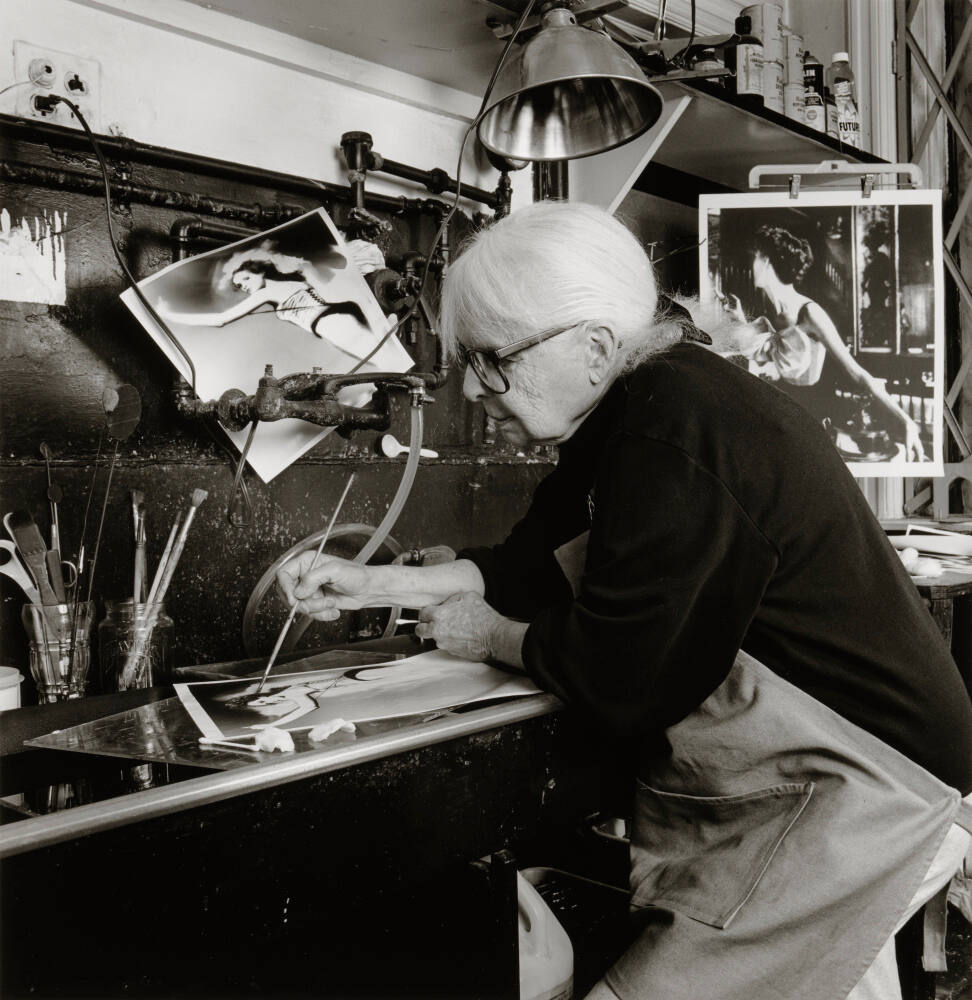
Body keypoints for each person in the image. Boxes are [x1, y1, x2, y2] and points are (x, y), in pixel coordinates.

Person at [277, 201, 972, 1000]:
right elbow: (528, 566)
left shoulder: (676, 426)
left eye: (491, 359)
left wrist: (488, 635)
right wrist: (378, 583)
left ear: (596, 346)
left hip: (869, 790)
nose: (473, 387)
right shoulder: (630, 410)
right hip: (842, 775)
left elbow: (623, 676)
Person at [723, 224, 926, 461]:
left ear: (767, 261)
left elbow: (858, 373)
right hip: (776, 416)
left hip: (811, 424)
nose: (751, 264)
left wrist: (906, 420)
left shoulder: (810, 313)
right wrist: (738, 318)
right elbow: (764, 351)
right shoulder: (771, 311)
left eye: (755, 257)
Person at [156, 246, 379, 363]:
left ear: (258, 271)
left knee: (378, 360)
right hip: (339, 314)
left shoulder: (268, 291)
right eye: (238, 285)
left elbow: (220, 319)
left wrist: (168, 314)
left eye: (244, 278)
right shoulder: (292, 277)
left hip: (330, 322)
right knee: (378, 357)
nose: (243, 286)